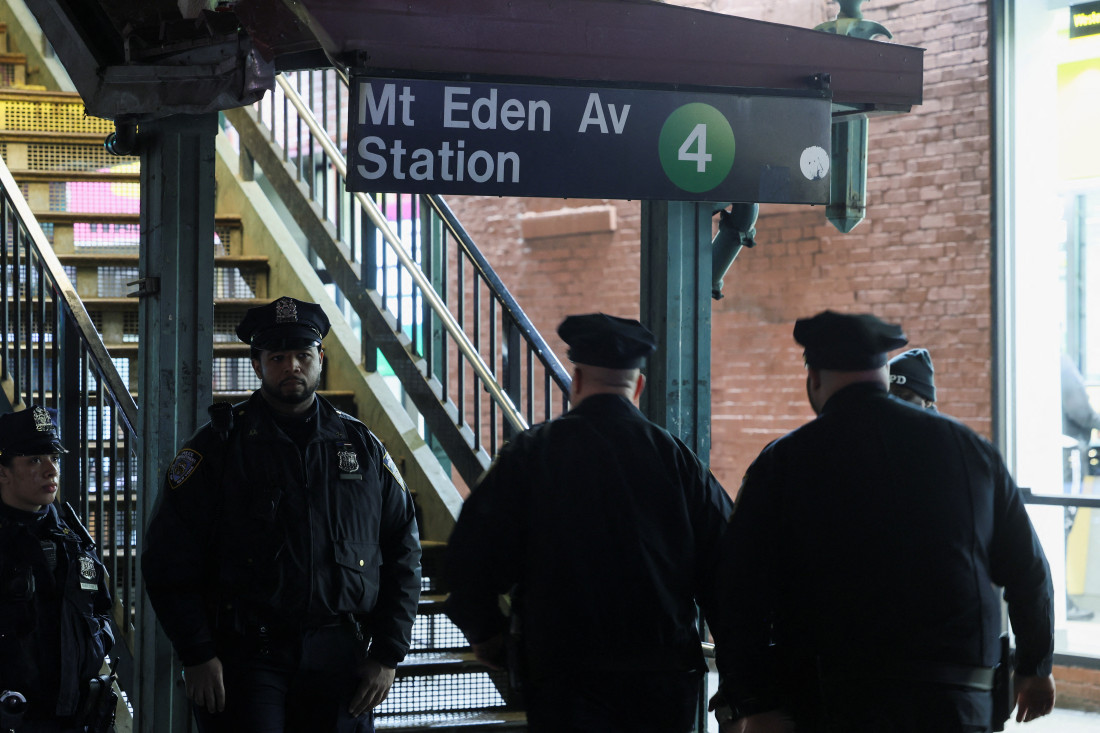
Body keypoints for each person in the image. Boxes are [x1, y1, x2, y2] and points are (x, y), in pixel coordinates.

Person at [711, 310, 1055, 733]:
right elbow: (1029, 571)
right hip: (954, 703)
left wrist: (754, 701)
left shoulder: (784, 462)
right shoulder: (972, 452)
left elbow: (739, 591)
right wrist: (1035, 667)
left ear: (814, 378)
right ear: (882, 370)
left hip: (830, 704)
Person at [142, 296, 422, 733]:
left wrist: (387, 653)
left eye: (302, 355)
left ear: (320, 360)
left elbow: (403, 552)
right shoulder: (217, 447)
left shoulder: (362, 448)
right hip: (246, 656)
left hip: (339, 655)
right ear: (257, 365)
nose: (291, 366)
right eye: (277, 357)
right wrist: (196, 652)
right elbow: (168, 557)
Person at [444, 313, 734, 733]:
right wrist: (740, 679)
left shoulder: (530, 454)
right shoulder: (677, 460)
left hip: (564, 676)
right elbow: (730, 566)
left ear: (575, 379)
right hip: (662, 679)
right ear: (637, 385)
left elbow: (469, 558)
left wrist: (488, 634)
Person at [0, 405, 115, 733]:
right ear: (2, 471)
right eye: (34, 460)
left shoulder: (72, 538)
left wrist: (91, 650)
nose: (51, 470)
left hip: (72, 714)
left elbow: (99, 607)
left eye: (54, 458)